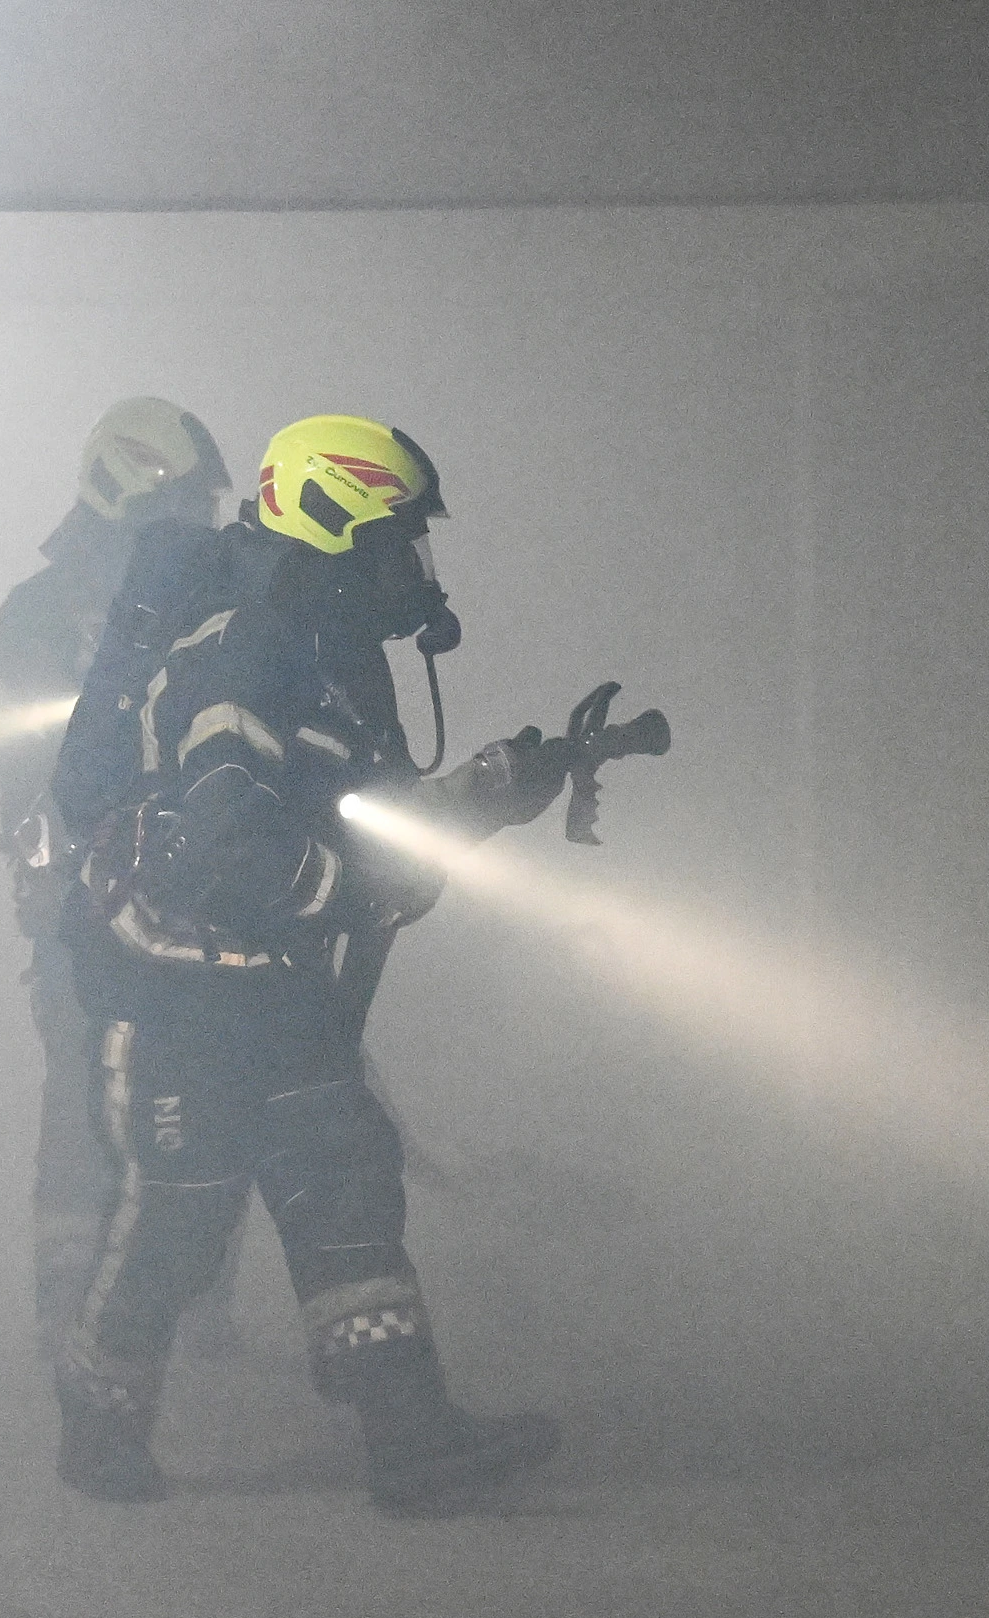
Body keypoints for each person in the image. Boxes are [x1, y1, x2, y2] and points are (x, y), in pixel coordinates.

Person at [46, 414, 582, 1511]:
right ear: (333, 526)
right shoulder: (242, 650)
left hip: (277, 987)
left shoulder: (332, 660)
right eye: (393, 544)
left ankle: (411, 1440)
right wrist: (348, 895)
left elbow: (367, 821)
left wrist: (493, 789)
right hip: (177, 997)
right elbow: (228, 848)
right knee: (178, 1220)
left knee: (345, 1184)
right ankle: (97, 1420)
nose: (410, 572)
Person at [0, 397, 250, 1369]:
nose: (196, 517)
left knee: (212, 1094)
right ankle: (69, 1295)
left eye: (200, 500)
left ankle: (190, 1300)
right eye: (179, 499)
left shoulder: (225, 595)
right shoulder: (43, 612)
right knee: (87, 1102)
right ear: (128, 495)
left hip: (208, 892)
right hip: (77, 908)